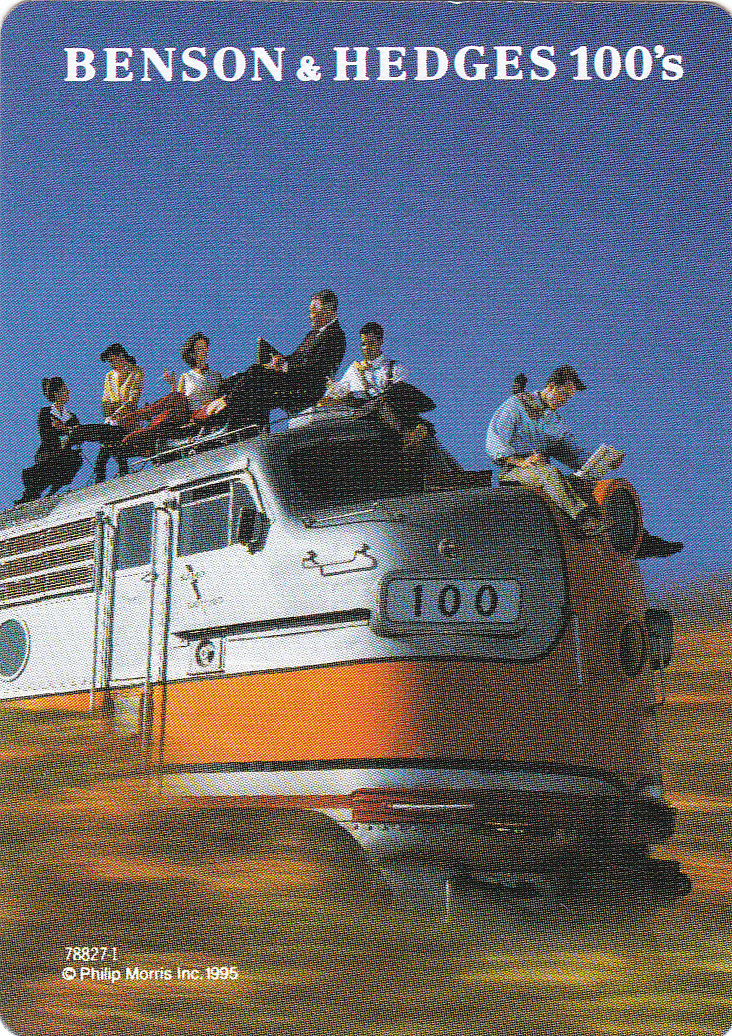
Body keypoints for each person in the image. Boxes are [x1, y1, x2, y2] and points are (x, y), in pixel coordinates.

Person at [486, 367, 683, 555]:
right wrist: (520, 461)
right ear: (552, 386)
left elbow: (571, 452)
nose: (565, 401)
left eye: (569, 398)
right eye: (564, 395)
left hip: (541, 473)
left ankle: (639, 539)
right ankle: (585, 521)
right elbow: (495, 440)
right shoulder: (516, 405)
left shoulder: (554, 421)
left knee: (585, 484)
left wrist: (601, 462)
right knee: (551, 474)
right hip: (514, 471)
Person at [201, 290, 346, 430]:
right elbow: (295, 358)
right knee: (237, 378)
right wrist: (279, 361)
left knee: (256, 373)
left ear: (329, 309)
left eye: (314, 310)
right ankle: (221, 423)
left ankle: (223, 408)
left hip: (306, 388)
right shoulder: (312, 335)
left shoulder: (336, 336)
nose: (310, 315)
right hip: (294, 380)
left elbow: (318, 368)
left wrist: (284, 367)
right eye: (310, 311)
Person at [119, 332, 222, 456]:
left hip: (204, 411)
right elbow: (177, 399)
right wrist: (172, 384)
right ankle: (135, 420)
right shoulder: (186, 376)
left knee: (175, 401)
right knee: (176, 398)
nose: (204, 351)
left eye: (205, 348)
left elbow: (218, 397)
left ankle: (135, 422)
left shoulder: (216, 375)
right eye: (199, 348)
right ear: (192, 354)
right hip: (186, 412)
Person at [68, 343, 144, 482]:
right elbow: (105, 401)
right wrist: (110, 415)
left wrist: (117, 412)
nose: (111, 364)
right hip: (111, 423)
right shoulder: (110, 376)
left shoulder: (136, 371)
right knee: (106, 455)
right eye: (109, 362)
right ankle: (115, 479)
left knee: (104, 452)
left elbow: (133, 399)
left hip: (127, 423)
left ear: (121, 356)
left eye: (112, 360)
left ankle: (110, 479)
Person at [17, 378, 83, 503]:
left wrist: (64, 429)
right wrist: (67, 431)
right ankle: (30, 497)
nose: (68, 392)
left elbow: (79, 438)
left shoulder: (71, 416)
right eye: (64, 390)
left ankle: (51, 493)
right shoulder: (45, 413)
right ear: (56, 393)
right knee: (39, 481)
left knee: (75, 460)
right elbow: (46, 435)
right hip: (48, 454)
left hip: (65, 455)